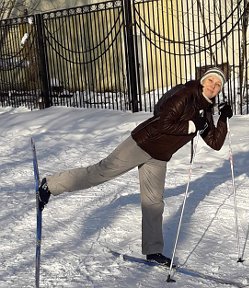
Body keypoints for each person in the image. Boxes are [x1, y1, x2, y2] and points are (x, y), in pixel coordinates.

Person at [38, 67, 233, 267]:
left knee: (154, 203)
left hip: (159, 156)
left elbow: (215, 143)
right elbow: (164, 123)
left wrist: (223, 118)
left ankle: (153, 251)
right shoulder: (186, 94)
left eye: (218, 85)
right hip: (141, 144)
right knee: (100, 172)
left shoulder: (206, 109)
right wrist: (192, 126)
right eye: (211, 81)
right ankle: (50, 185)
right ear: (203, 81)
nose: (213, 86)